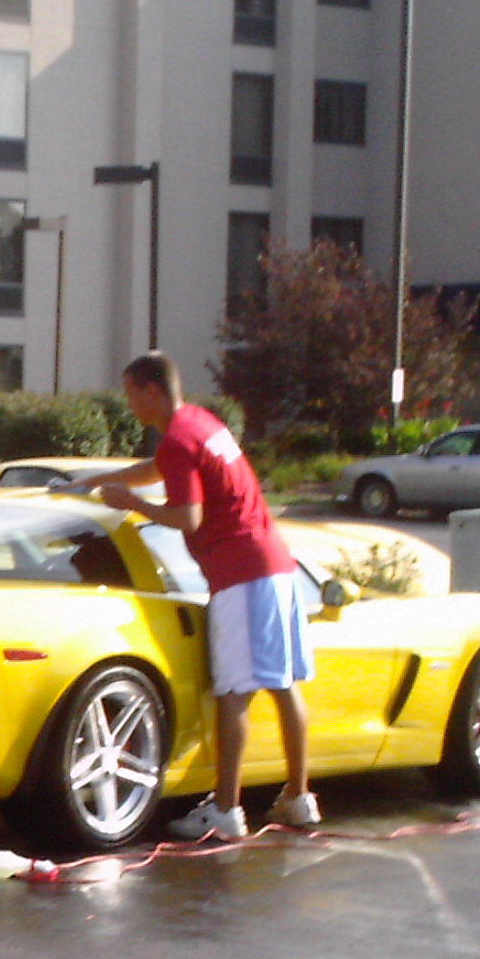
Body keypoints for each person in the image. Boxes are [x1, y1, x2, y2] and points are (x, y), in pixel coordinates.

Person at [69, 353, 314, 841]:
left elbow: (189, 517)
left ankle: (226, 809)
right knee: (284, 685)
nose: (128, 403)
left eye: (131, 393)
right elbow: (158, 468)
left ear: (152, 391)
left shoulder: (179, 439)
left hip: (240, 573)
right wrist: (96, 482)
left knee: (234, 693)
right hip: (275, 564)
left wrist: (131, 503)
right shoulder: (199, 424)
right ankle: (299, 798)